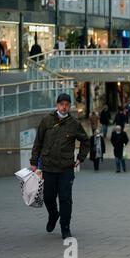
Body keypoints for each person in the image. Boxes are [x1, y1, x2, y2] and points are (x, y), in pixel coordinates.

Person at [30, 93, 90, 239]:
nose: (64, 107)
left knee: (65, 199)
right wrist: (33, 161)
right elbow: (38, 142)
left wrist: (80, 158)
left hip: (66, 168)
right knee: (48, 198)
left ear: (70, 106)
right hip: (48, 167)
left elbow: (86, 141)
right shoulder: (46, 121)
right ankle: (53, 215)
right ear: (57, 105)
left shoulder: (74, 124)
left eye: (67, 104)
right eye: (62, 104)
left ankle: (65, 228)